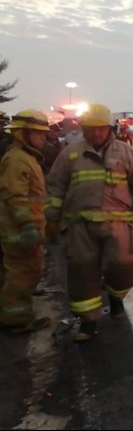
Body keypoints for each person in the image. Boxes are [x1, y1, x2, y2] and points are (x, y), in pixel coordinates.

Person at [45, 104, 133, 342]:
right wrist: (52, 219)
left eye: (100, 129)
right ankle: (87, 322)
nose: (96, 134)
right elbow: (56, 188)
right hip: (79, 224)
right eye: (91, 129)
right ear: (84, 128)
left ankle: (116, 297)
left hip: (118, 223)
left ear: (109, 129)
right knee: (82, 271)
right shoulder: (70, 153)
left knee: (126, 263)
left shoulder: (126, 153)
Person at [0, 111, 51, 333]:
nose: (43, 138)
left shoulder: (26, 158)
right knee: (22, 274)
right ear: (24, 134)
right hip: (20, 231)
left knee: (21, 272)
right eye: (38, 134)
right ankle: (16, 320)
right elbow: (15, 196)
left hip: (26, 228)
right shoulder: (16, 160)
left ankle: (16, 314)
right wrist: (27, 225)